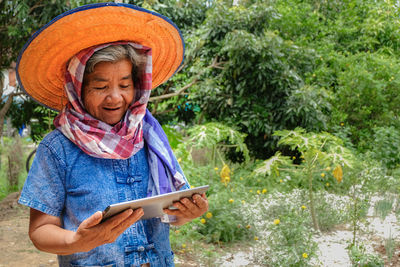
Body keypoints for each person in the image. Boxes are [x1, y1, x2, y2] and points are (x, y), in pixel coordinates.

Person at [16, 3, 208, 267]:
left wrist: (187, 213)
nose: (115, 97)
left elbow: (170, 213)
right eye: (101, 86)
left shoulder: (149, 137)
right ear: (78, 89)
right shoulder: (57, 149)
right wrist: (77, 241)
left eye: (125, 85)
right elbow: (40, 231)